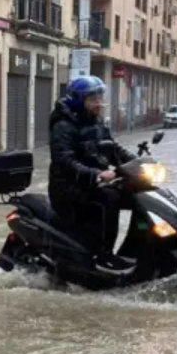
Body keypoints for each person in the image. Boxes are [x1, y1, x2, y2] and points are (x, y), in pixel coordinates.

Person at [47, 76, 137, 275]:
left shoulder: (95, 122)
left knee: (136, 194)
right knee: (110, 199)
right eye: (93, 99)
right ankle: (103, 255)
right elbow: (64, 160)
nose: (99, 103)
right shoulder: (63, 125)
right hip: (68, 189)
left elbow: (113, 148)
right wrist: (96, 174)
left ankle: (138, 249)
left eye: (100, 97)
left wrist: (137, 163)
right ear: (79, 99)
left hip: (93, 184)